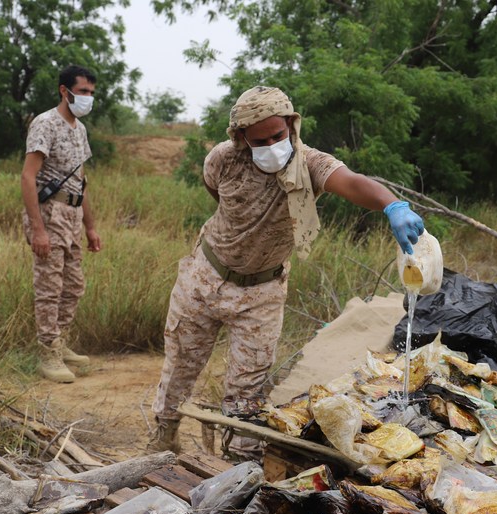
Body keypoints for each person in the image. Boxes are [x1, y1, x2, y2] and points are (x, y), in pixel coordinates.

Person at [151, 86, 425, 455]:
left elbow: (351, 182)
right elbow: (216, 192)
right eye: (260, 140)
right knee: (180, 367)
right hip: (205, 277)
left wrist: (392, 206)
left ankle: (236, 457)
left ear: (292, 127)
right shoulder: (223, 159)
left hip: (261, 293)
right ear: (241, 138)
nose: (272, 145)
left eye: (279, 136)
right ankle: (163, 438)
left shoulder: (310, 163)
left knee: (247, 388)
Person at [21, 65, 102, 383]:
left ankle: (60, 340)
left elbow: (81, 183)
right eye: (82, 91)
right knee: (50, 287)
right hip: (49, 215)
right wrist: (37, 228)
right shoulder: (45, 124)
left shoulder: (79, 130)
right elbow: (28, 177)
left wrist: (91, 226)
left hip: (73, 217)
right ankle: (48, 352)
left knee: (74, 286)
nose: (87, 98)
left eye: (91, 93)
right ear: (64, 91)